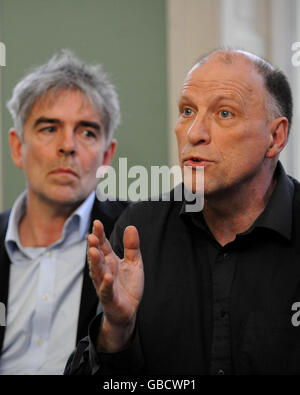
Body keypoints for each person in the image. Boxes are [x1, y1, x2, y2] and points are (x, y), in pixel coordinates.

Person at [65, 49, 300, 375]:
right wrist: (117, 329)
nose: (194, 133)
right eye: (187, 111)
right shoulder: (139, 230)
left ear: (275, 137)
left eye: (225, 114)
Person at [0, 50, 128, 375]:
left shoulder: (134, 236)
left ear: (106, 156)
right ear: (18, 147)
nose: (67, 145)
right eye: (48, 128)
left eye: (87, 132)